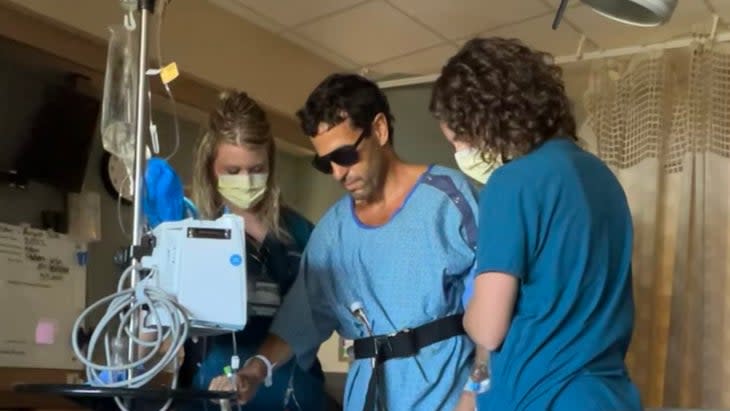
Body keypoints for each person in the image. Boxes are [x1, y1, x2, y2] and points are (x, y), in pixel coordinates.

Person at [209, 74, 484, 410]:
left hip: (448, 398)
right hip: (368, 395)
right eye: (327, 163)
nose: (338, 173)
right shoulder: (333, 233)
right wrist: (254, 371)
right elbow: (302, 317)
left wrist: (475, 392)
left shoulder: (448, 200)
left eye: (345, 155)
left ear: (379, 130)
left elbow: (498, 306)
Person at [429, 37, 643, 411]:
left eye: (459, 140)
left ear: (485, 122)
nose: (459, 154)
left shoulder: (512, 183)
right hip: (608, 395)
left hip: (543, 396)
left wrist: (470, 312)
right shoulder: (603, 179)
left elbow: (489, 329)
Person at [179, 89, 326, 410]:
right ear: (210, 168)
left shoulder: (301, 235)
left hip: (295, 395)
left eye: (256, 169)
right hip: (214, 392)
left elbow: (316, 317)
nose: (246, 181)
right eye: (232, 171)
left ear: (270, 164)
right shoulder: (191, 233)